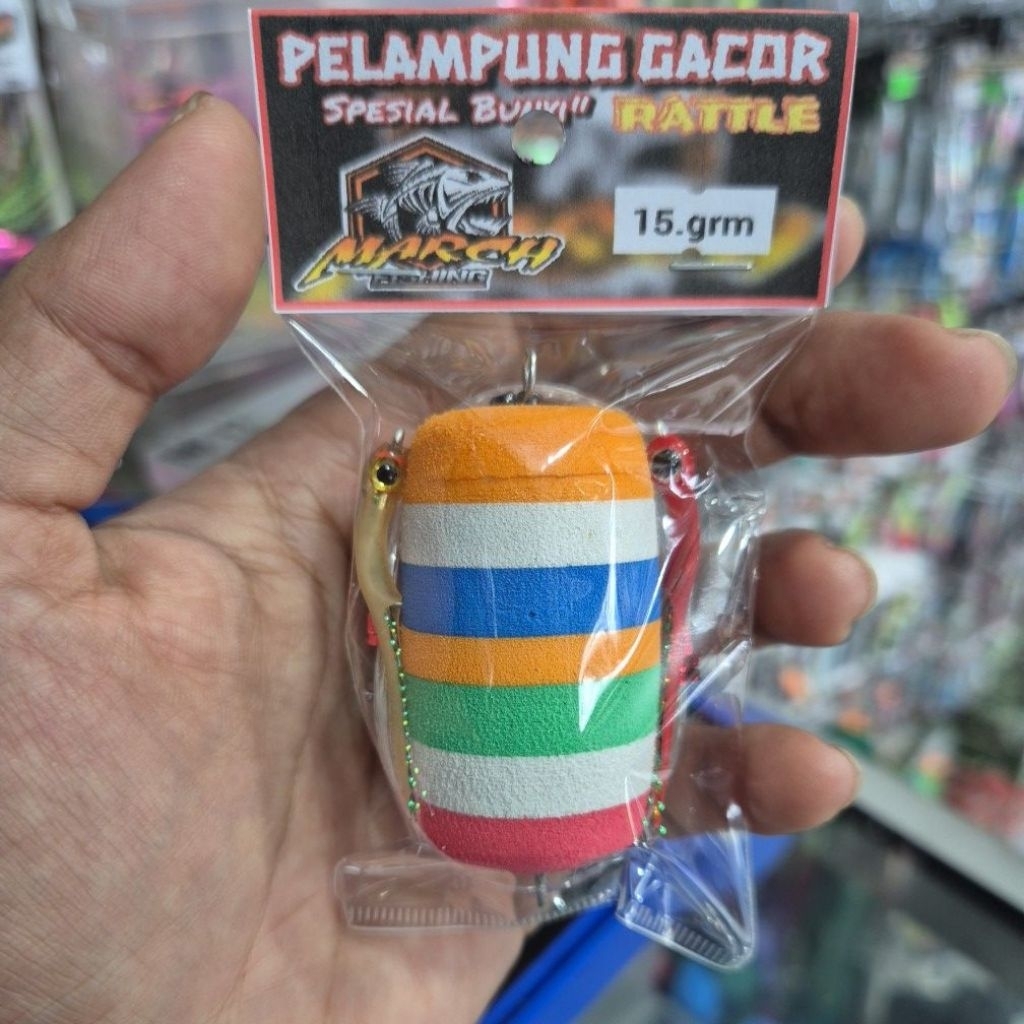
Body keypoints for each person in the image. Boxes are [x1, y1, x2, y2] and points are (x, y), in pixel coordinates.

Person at [0, 94, 1016, 1024]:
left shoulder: (468, 463)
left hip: (481, 800)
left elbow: (406, 598)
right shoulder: (575, 460)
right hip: (513, 796)